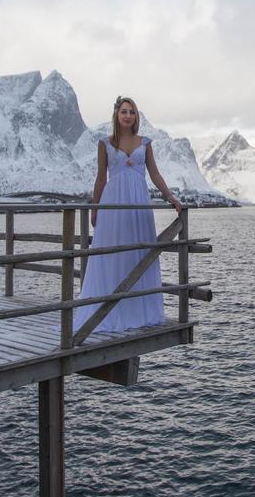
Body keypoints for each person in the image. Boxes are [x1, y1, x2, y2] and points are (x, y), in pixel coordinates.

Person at [73, 96, 183, 333]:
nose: (128, 116)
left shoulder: (145, 143)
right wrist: (95, 208)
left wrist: (170, 197)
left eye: (132, 112)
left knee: (138, 252)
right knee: (113, 254)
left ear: (136, 116)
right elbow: (101, 179)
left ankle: (137, 309)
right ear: (116, 115)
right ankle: (107, 310)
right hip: (113, 204)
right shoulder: (104, 143)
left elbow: (155, 174)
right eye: (124, 111)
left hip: (139, 203)